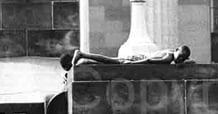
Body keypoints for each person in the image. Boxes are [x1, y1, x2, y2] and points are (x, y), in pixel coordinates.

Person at [59, 45, 191, 71]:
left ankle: (85, 59)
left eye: (182, 59)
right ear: (177, 51)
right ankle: (83, 55)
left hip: (136, 58)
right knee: (108, 61)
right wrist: (131, 64)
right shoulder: (168, 58)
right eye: (180, 57)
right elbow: (149, 62)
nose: (179, 60)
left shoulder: (169, 51)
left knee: (108, 61)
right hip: (136, 60)